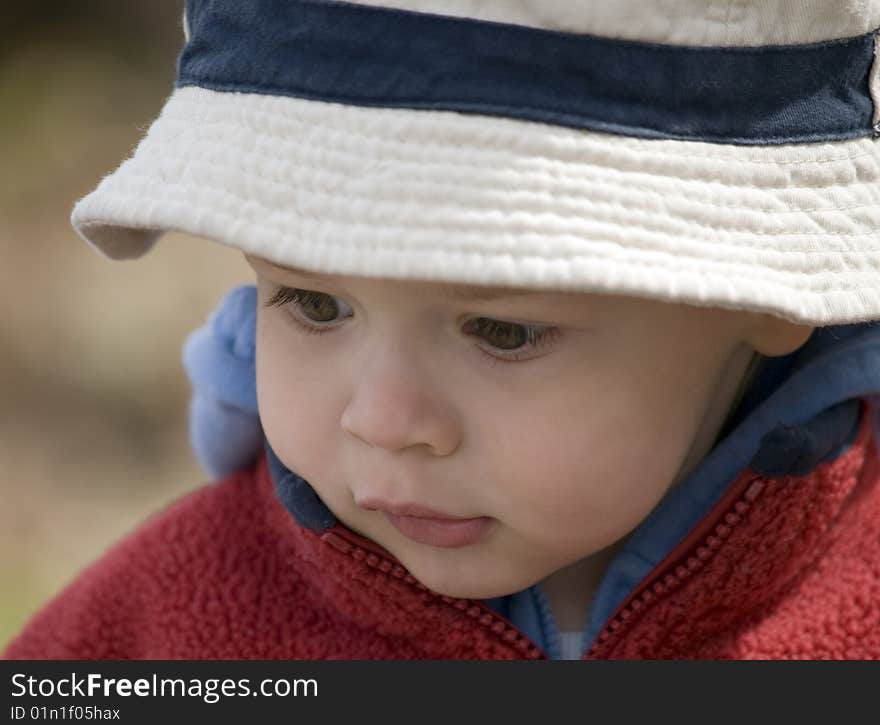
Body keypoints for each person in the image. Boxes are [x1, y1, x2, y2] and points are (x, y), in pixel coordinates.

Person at [5, 0, 880, 660]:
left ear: (776, 295)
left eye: (500, 331)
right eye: (315, 305)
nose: (382, 422)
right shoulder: (178, 623)